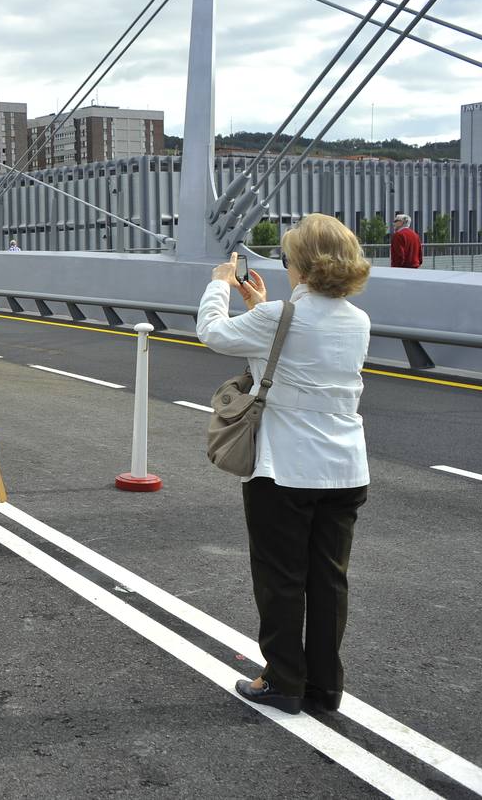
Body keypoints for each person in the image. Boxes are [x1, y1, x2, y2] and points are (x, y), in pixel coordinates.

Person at [197, 215, 372, 715]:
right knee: (328, 580)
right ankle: (323, 686)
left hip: (285, 469)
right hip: (345, 468)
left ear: (301, 265)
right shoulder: (356, 319)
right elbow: (301, 350)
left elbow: (213, 333)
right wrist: (265, 306)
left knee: (281, 580)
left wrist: (219, 287)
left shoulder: (279, 316)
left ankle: (282, 682)